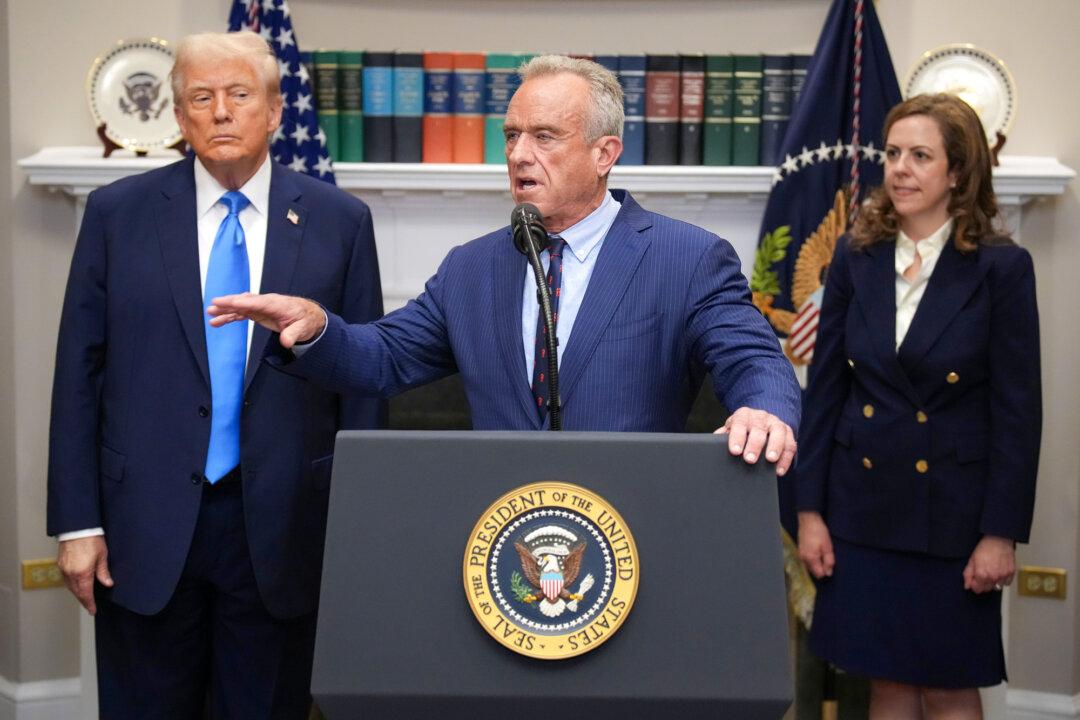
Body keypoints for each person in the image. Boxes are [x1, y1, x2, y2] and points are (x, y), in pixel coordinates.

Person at [208, 54, 800, 468]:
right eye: (512, 135)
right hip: (501, 535)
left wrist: (764, 410)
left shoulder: (687, 258)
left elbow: (754, 359)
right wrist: (315, 328)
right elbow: (384, 358)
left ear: (604, 153)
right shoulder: (472, 268)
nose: (519, 154)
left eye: (544, 137)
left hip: (633, 531)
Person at [47, 31, 383, 718]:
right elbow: (78, 372)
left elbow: (364, 380)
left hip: (284, 532)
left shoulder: (339, 221)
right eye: (201, 97)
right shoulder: (118, 215)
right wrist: (77, 522)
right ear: (179, 114)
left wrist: (357, 529)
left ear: (274, 109)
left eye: (239, 94)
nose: (221, 111)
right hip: (142, 527)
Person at [796, 93, 1041, 719]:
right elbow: (825, 392)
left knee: (949, 686)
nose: (900, 168)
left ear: (957, 172)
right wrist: (809, 512)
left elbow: (1018, 414)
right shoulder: (857, 258)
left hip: (954, 520)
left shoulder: (1000, 270)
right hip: (863, 509)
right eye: (894, 154)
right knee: (886, 683)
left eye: (920, 156)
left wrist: (1000, 534)